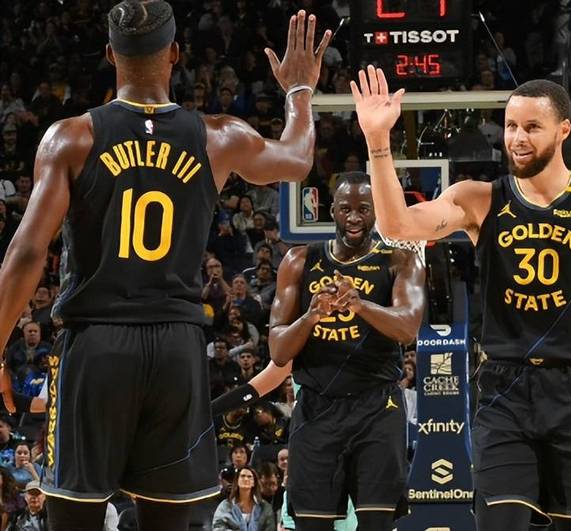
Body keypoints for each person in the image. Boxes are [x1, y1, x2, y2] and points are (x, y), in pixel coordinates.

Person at [0, 2, 331, 530]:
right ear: (175, 53)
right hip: (177, 347)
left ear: (110, 55)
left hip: (96, 344)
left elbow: (25, 253)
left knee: (74, 515)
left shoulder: (73, 137)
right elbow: (296, 159)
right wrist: (299, 90)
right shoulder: (218, 136)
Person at [350, 66, 571, 530]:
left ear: (564, 130)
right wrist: (378, 141)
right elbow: (397, 227)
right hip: (505, 387)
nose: (517, 138)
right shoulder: (480, 198)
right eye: (511, 125)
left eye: (532, 127)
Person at [268, 171, 425, 530]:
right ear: (333, 211)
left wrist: (359, 305)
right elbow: (278, 350)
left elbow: (407, 328)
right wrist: (311, 316)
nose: (354, 217)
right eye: (346, 209)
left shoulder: (400, 260)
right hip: (317, 408)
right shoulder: (299, 260)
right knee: (312, 524)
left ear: (376, 211)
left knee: (377, 523)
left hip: (377, 408)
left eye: (363, 209)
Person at [212, 466, 276, 531]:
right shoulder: (225, 506)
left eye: (249, 477)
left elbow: (270, 528)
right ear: (237, 481)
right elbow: (218, 527)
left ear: (254, 482)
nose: (246, 479)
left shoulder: (265, 507)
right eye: (242, 476)